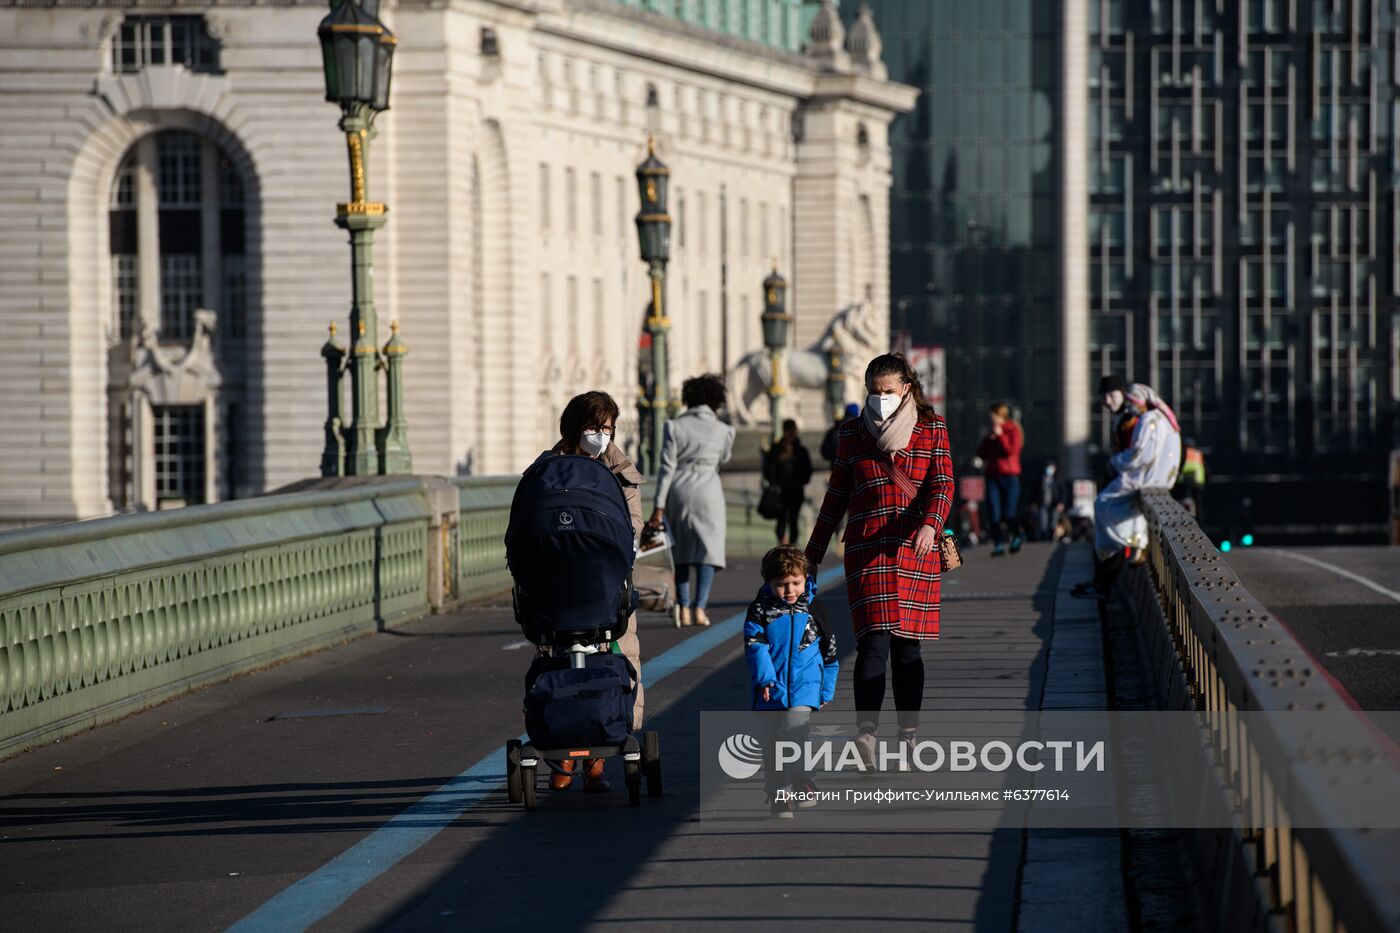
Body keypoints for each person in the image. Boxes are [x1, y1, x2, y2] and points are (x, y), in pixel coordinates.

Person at [804, 353, 954, 767]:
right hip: (867, 546)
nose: (881, 400)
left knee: (908, 648)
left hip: (914, 546)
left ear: (907, 388)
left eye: (888, 392)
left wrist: (930, 524)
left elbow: (943, 483)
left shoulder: (932, 428)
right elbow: (835, 497)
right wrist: (812, 554)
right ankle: (866, 734)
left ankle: (908, 734)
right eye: (874, 392)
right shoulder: (852, 434)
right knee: (873, 641)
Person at [529, 390, 645, 792]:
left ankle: (598, 755)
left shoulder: (620, 472)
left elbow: (633, 524)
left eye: (607, 429)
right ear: (574, 428)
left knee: (615, 661)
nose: (600, 436)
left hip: (605, 584)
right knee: (557, 664)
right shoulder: (546, 473)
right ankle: (561, 753)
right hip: (558, 588)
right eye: (593, 427)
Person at [744, 545, 839, 819]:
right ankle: (779, 793)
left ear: (806, 578)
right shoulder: (760, 610)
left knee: (796, 732)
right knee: (773, 744)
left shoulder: (814, 610)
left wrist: (826, 688)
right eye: (781, 585)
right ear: (768, 582)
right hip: (770, 690)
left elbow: (830, 654)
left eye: (796, 583)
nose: (789, 590)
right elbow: (755, 644)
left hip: (804, 687)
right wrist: (764, 678)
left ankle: (802, 778)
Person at [1072, 383, 1183, 598]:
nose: (1130, 407)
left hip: (1142, 477)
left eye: (1131, 403)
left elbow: (1139, 455)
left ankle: (1130, 542)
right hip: (1153, 477)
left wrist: (1116, 462)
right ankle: (1128, 546)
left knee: (1104, 504)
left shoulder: (1149, 420)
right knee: (1114, 507)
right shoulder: (1159, 418)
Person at [646, 373, 736, 627]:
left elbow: (666, 469)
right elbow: (724, 459)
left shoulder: (674, 426)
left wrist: (658, 507)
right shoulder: (724, 430)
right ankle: (700, 608)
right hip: (709, 489)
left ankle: (683, 606)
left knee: (682, 551)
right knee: (708, 552)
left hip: (679, 488)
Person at [976, 402, 1025, 556]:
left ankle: (1017, 535)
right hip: (993, 476)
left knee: (1008, 513)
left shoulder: (1012, 429)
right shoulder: (991, 433)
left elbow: (1011, 451)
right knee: (994, 513)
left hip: (1009, 476)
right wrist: (989, 439)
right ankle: (998, 545)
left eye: (993, 415)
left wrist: (1001, 436)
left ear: (1000, 415)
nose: (991, 418)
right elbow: (981, 453)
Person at [762, 419, 814, 545]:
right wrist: (802, 481)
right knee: (792, 519)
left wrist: (774, 482)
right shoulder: (800, 450)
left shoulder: (777, 449)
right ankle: (791, 546)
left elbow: (768, 469)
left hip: (782, 490)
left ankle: (784, 545)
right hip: (794, 490)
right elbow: (808, 470)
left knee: (784, 519)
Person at [1037, 458, 1072, 541]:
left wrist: (1062, 503)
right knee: (1043, 521)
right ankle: (1044, 536)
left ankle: (1052, 535)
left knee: (1054, 520)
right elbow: (1035, 492)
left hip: (1055, 504)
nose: (1049, 469)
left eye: (1051, 467)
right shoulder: (1040, 480)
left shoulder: (1058, 480)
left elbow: (1063, 493)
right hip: (1043, 503)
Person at [1173, 440, 1206, 520]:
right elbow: (1206, 470)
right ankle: (1199, 522)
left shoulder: (1181, 453)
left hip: (1183, 482)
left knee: (1180, 500)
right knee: (1198, 504)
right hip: (1198, 482)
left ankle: (1181, 518)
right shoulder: (1198, 453)